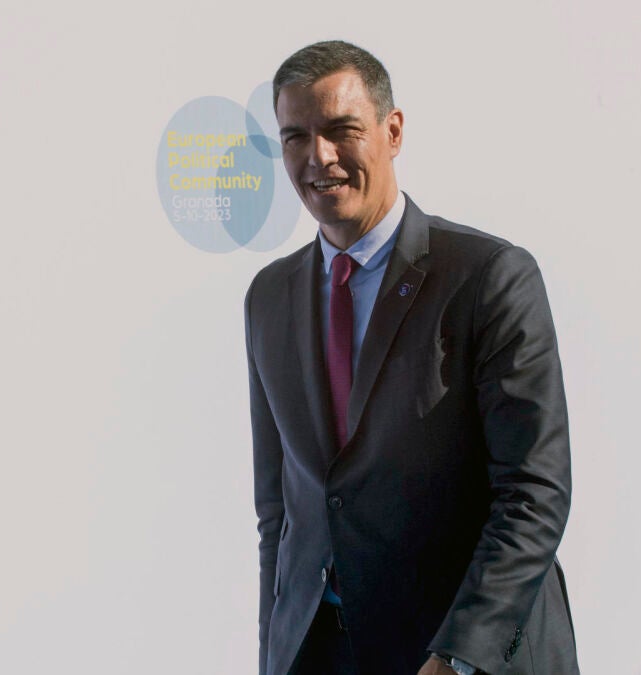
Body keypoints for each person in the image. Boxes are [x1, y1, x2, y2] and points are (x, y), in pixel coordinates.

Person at [244, 40, 578, 675]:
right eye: (296, 137)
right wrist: (275, 655)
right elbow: (279, 514)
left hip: (456, 652)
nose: (319, 157)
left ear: (392, 131)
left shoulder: (488, 277)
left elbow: (534, 492)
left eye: (341, 130)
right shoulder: (269, 297)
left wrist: (458, 656)